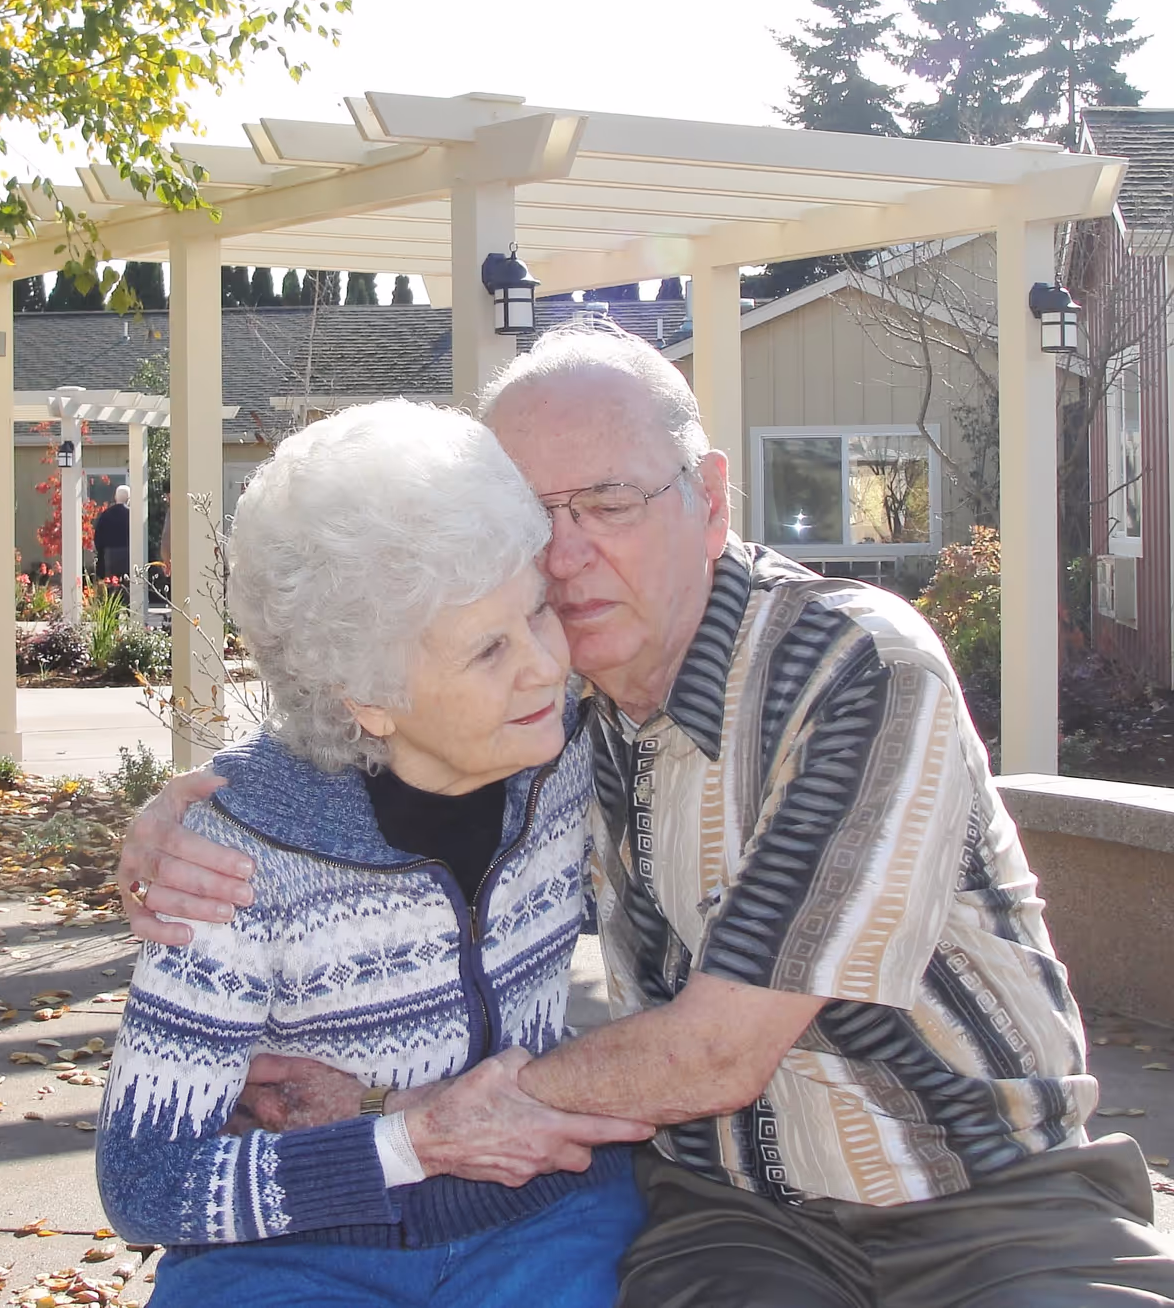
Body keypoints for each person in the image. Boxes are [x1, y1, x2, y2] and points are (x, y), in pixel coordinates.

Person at [118, 322, 1174, 1307]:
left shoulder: (853, 667)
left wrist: (403, 1120)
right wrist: (189, 815)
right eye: (535, 523)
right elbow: (380, 701)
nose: (567, 561)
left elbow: (717, 1051)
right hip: (733, 1216)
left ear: (711, 501)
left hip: (986, 1195)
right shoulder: (555, 705)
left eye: (610, 504)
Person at [96, 399, 653, 1308]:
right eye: (488, 650)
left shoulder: (570, 764)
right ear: (367, 696)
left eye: (538, 612)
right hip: (297, 1257)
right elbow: (145, 1180)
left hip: (548, 1225)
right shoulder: (242, 855)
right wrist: (409, 1140)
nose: (547, 666)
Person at [93, 483, 132, 596]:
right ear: (129, 498)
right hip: (128, 555)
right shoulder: (131, 514)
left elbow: (98, 538)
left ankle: (111, 610)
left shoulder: (105, 515)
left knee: (111, 587)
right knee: (127, 586)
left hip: (109, 556)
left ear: (115, 497)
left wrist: (100, 554)